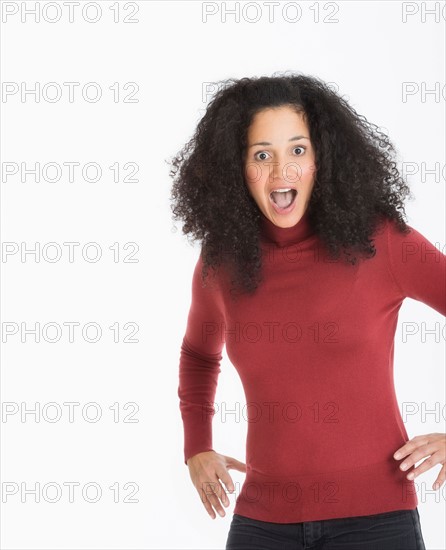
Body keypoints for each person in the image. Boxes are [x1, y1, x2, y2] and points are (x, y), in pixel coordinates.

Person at [168, 73, 445, 549]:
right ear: (236, 168)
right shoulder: (222, 262)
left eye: (298, 150)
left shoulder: (382, 242)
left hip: (376, 521)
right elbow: (198, 354)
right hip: (263, 522)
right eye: (262, 155)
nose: (282, 171)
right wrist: (197, 446)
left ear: (322, 159)